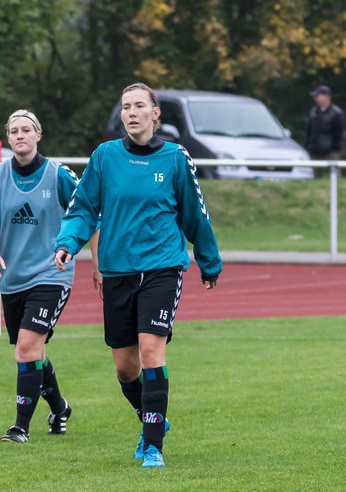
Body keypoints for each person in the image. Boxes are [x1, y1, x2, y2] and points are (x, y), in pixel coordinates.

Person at [55, 82, 222, 469]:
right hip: (117, 271)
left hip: (163, 267)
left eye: (138, 106)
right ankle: (152, 416)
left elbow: (195, 215)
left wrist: (209, 261)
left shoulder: (176, 158)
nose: (131, 113)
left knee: (151, 352)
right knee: (125, 367)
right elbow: (83, 208)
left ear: (154, 112)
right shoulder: (104, 157)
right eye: (125, 107)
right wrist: (68, 243)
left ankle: (152, 445)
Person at [0, 109, 93, 443]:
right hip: (11, 278)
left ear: (38, 135)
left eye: (27, 130)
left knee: (26, 348)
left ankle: (20, 427)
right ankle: (60, 407)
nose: (20, 135)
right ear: (8, 138)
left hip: (51, 274)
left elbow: (87, 214)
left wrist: (97, 264)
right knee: (34, 351)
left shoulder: (59, 175)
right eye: (14, 131)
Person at [305, 85, 346, 160]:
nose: (315, 99)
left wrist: (335, 148)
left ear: (327, 96)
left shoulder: (336, 113)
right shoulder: (314, 112)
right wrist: (309, 145)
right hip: (314, 152)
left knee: (333, 172)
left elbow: (340, 132)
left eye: (317, 96)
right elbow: (309, 131)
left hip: (330, 153)